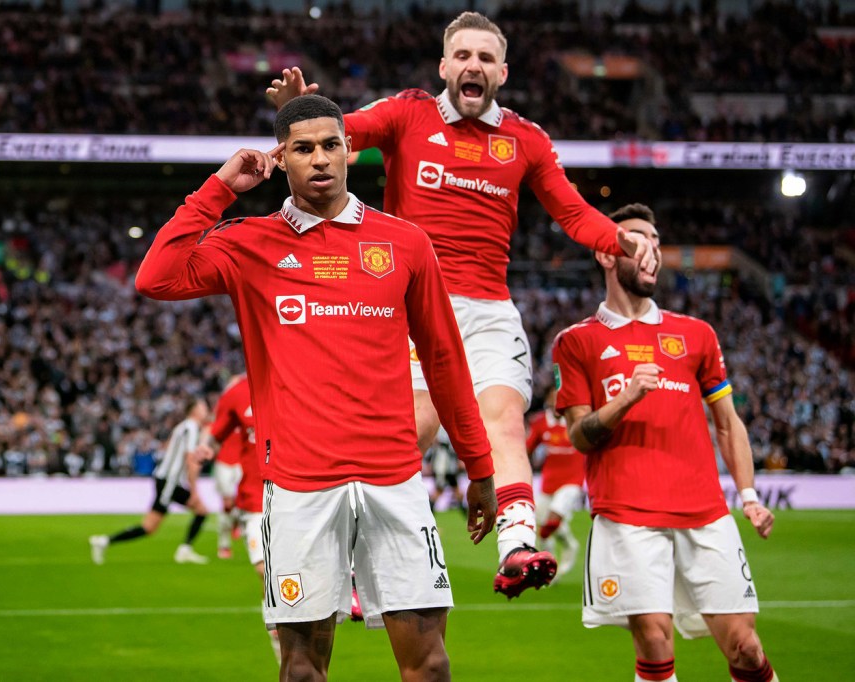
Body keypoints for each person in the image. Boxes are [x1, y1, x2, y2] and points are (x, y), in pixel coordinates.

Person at [266, 11, 656, 598]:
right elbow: (342, 137)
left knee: (500, 417)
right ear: (445, 66)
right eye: (464, 56)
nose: (474, 65)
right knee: (412, 429)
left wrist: (620, 240)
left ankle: (519, 546)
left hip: (489, 309)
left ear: (502, 71)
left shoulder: (526, 139)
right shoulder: (408, 113)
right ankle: (350, 559)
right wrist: (306, 111)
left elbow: (572, 212)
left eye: (486, 58)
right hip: (412, 306)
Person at [135, 94, 497, 681]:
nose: (321, 158)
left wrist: (480, 467)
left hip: (395, 479)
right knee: (302, 667)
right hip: (301, 485)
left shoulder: (405, 242)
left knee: (429, 665)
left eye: (332, 144)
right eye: (303, 148)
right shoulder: (248, 242)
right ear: (283, 158)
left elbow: (445, 361)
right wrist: (220, 188)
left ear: (350, 149)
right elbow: (156, 278)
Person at [551, 203, 779, 682]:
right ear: (607, 254)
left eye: (656, 240)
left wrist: (751, 496)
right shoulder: (577, 342)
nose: (652, 248)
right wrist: (627, 398)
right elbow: (579, 435)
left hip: (705, 512)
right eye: (637, 239)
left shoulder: (696, 334)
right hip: (626, 515)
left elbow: (727, 422)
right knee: (654, 640)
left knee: (746, 647)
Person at [205, 374, 283, 662]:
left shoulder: (294, 376)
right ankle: (274, 619)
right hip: (254, 500)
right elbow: (217, 434)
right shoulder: (236, 394)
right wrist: (206, 449)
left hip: (294, 494)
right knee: (264, 569)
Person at [89, 397, 214, 566]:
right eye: (203, 407)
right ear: (194, 410)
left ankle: (104, 541)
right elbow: (190, 460)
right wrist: (194, 491)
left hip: (167, 480)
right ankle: (184, 550)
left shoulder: (184, 427)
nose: (206, 410)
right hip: (169, 483)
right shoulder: (191, 428)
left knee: (151, 527)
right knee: (196, 511)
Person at [525, 385, 585, 582]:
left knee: (550, 523)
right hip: (548, 482)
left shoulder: (578, 419)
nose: (556, 402)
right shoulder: (541, 423)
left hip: (573, 481)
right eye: (553, 398)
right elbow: (527, 449)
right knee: (541, 527)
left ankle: (556, 560)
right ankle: (552, 563)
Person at [210, 374, 247, 560]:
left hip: (242, 461)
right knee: (226, 503)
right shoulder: (223, 408)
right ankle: (224, 544)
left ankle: (237, 525)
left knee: (242, 502)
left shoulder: (247, 408)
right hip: (224, 461)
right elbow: (214, 431)